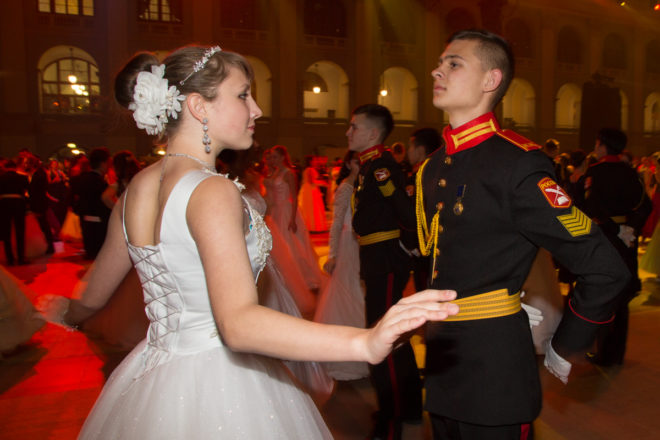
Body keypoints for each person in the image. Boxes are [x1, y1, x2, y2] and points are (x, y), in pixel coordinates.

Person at [37, 45, 459, 439]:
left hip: (152, 376)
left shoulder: (135, 191)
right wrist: (363, 342)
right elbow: (237, 324)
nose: (256, 109)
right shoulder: (211, 190)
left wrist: (65, 311)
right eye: (242, 95)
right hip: (218, 382)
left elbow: (91, 299)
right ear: (199, 106)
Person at [417, 29, 629, 439]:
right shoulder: (435, 166)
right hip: (444, 361)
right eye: (440, 63)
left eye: (454, 63)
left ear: (491, 79)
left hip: (493, 370)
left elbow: (605, 268)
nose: (436, 71)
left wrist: (565, 343)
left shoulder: (516, 164)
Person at [348, 103, 422, 439]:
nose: (348, 132)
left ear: (373, 133)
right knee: (392, 337)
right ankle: (407, 407)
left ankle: (391, 422)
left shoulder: (381, 167)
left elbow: (406, 212)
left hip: (386, 260)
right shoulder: (370, 166)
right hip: (377, 258)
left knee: (383, 339)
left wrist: (408, 247)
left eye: (354, 127)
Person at [582, 128, 652, 367]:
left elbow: (592, 206)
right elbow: (645, 205)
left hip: (604, 238)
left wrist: (615, 229)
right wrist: (630, 228)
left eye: (597, 143)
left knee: (602, 295)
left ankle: (603, 352)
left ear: (603, 146)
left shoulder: (596, 171)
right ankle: (617, 353)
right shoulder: (630, 172)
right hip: (626, 241)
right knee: (621, 297)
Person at [314, 150, 369, 381]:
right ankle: (348, 347)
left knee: (358, 289)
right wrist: (333, 254)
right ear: (348, 163)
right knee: (348, 290)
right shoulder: (346, 187)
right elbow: (337, 223)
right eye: (356, 161)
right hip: (347, 244)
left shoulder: (363, 184)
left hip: (360, 243)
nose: (360, 164)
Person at [263, 145, 326, 299]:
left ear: (282, 157)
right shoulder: (276, 172)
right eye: (272, 157)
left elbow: (294, 197)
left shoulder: (288, 173)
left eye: (276, 157)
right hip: (275, 211)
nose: (273, 160)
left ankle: (301, 278)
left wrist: (292, 218)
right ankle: (283, 277)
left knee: (291, 245)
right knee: (279, 246)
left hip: (286, 211)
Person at [406, 127, 442, 292]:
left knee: (425, 289)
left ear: (420, 150)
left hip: (425, 248)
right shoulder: (431, 172)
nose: (408, 151)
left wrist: (412, 244)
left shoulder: (424, 175)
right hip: (426, 248)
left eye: (410, 147)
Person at [70, 147, 112, 259]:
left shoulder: (81, 179)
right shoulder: (100, 182)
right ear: (103, 163)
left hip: (85, 220)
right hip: (99, 223)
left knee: (91, 253)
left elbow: (74, 198)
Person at [0, 159, 29, 265]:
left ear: (5, 168)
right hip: (18, 204)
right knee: (20, 231)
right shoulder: (22, 178)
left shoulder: (1, 178)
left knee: (6, 232)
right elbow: (26, 190)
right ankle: (21, 258)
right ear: (15, 167)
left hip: (4, 204)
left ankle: (10, 259)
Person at [298, 155, 328, 233]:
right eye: (314, 160)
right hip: (311, 190)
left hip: (308, 190)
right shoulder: (310, 169)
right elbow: (311, 182)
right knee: (313, 208)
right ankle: (313, 226)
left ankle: (310, 226)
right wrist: (323, 183)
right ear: (310, 161)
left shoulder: (307, 169)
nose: (316, 162)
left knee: (310, 209)